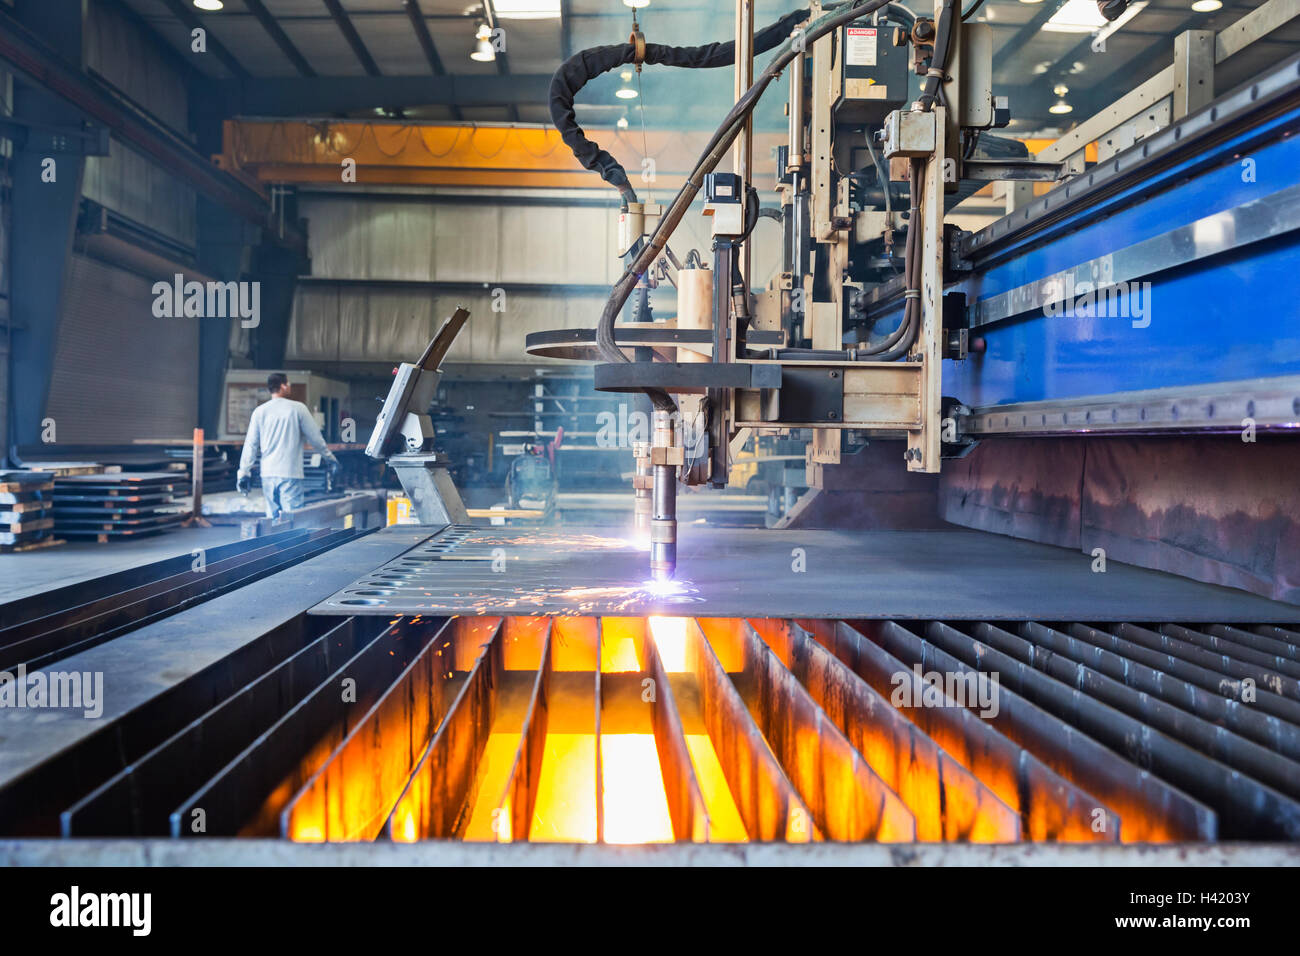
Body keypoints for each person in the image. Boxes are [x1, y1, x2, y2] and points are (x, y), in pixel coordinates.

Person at [237, 373, 340, 519]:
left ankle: (272, 542)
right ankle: (291, 542)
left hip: (267, 474)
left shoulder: (260, 412)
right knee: (293, 520)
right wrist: (330, 459)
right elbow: (315, 439)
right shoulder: (298, 409)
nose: (290, 386)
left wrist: (243, 473)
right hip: (290, 473)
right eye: (289, 384)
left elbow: (251, 445)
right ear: (283, 386)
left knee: (271, 520)